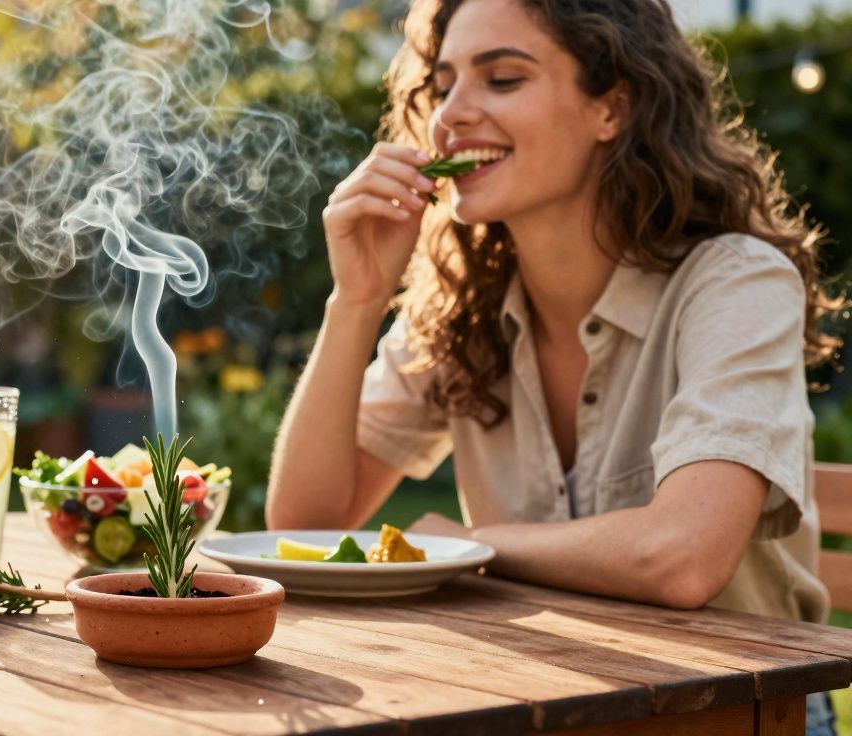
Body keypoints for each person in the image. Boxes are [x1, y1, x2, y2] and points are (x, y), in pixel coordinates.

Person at [265, 0, 840, 731]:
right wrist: (357, 299)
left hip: (739, 717)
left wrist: (465, 546)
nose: (450, 116)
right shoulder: (461, 303)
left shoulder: (736, 284)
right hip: (544, 704)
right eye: (443, 86)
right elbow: (306, 521)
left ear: (614, 108)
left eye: (502, 79)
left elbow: (683, 557)